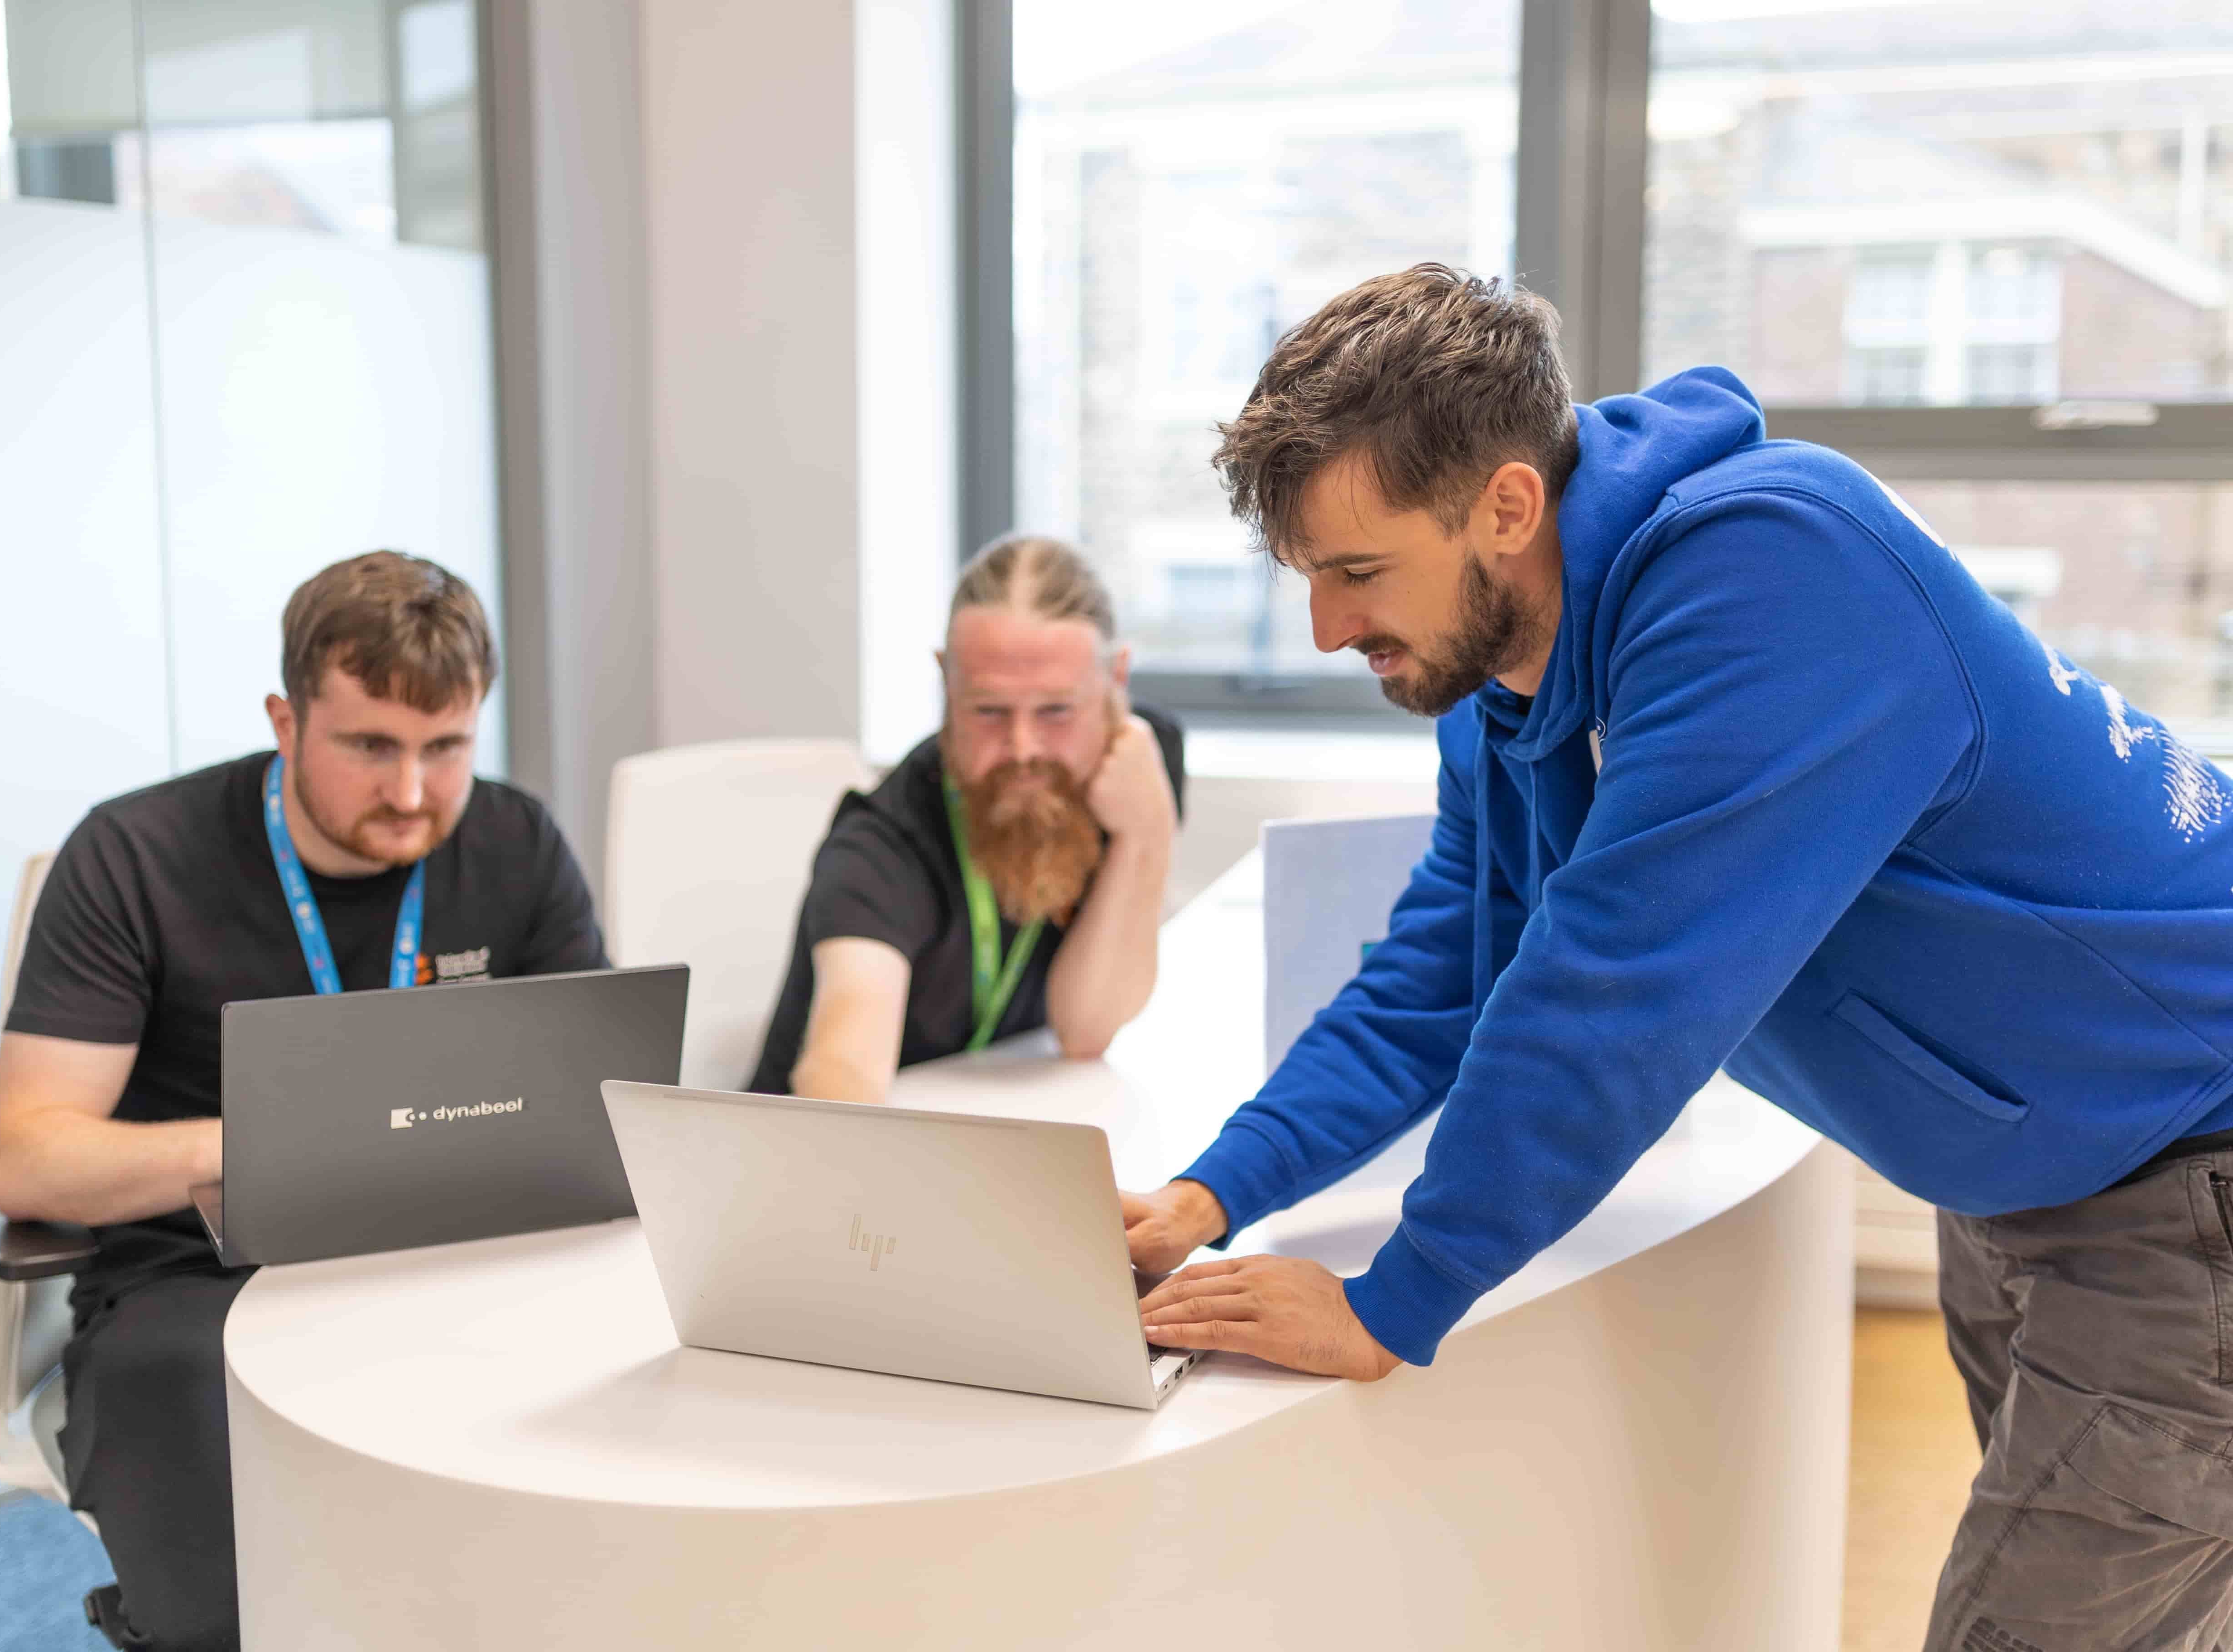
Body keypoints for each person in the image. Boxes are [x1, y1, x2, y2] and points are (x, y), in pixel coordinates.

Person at [1122, 264, 2233, 1649]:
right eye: (1308, 578)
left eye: (1358, 570)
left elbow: (1613, 994)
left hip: (2194, 1164)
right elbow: (1443, 983)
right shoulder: (1505, 694)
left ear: (1509, 507)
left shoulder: (1775, 575)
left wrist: (1395, 1303)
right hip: (2043, 1166)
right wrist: (1212, 1187)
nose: (1329, 628)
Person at [0, 552, 610, 1651]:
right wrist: (284, 1141)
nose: (412, 795)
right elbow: (26, 1160)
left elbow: (597, 1098)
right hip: (198, 1282)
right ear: (285, 720)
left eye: (446, 748)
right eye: (370, 746)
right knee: (241, 1598)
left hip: (457, 1253)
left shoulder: (515, 843)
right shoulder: (134, 858)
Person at [749, 535, 1184, 1104]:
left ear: (1116, 681)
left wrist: (1146, 832)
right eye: (989, 711)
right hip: (822, 1159)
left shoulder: (1136, 769)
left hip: (1005, 1128)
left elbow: (1086, 1030)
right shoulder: (882, 842)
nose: (1023, 748)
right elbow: (841, 1075)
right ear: (946, 681)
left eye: (1056, 710)